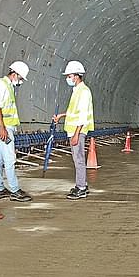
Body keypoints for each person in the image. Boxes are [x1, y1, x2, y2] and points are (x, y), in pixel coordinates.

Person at [0, 61, 32, 202]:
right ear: (15, 74)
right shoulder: (1, 85)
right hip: (2, 129)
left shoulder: (8, 86)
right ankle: (15, 190)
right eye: (21, 78)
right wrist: (2, 128)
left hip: (4, 127)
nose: (22, 81)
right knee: (10, 159)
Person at [52, 60, 94, 200]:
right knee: (77, 159)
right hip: (73, 130)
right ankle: (81, 184)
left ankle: (81, 188)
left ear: (76, 76)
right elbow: (74, 112)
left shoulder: (83, 91)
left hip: (78, 131)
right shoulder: (77, 91)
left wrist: (76, 134)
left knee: (79, 159)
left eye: (69, 76)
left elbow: (82, 115)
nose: (67, 78)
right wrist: (62, 116)